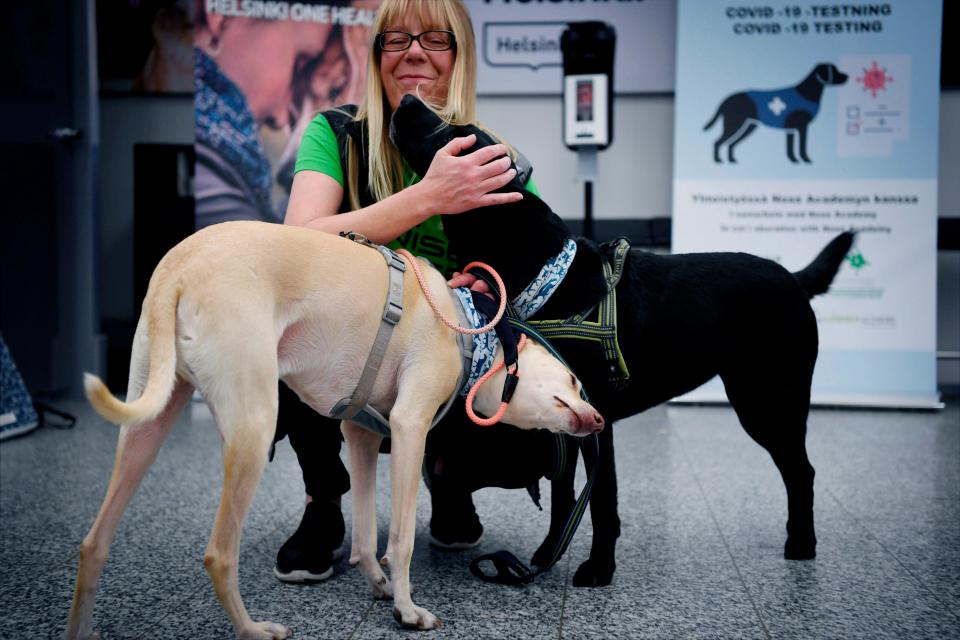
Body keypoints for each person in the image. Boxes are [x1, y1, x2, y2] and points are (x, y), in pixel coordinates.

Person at [275, 0, 541, 583]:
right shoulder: (337, 133)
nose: (414, 51)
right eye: (395, 40)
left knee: (519, 368)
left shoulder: (493, 157)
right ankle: (324, 503)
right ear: (375, 58)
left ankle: (449, 479)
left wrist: (490, 287)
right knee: (293, 328)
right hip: (344, 346)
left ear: (460, 57)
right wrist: (426, 198)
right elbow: (296, 243)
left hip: (444, 350)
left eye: (435, 39)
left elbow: (529, 274)